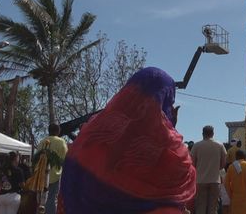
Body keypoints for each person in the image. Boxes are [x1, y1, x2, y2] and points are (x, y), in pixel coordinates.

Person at [57, 67, 196, 213]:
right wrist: (169, 127)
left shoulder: (94, 134)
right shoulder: (171, 151)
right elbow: (174, 189)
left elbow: (72, 182)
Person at [191, 125, 227, 214]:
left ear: (203, 134)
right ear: (213, 134)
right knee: (213, 208)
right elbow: (223, 163)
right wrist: (215, 169)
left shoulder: (197, 146)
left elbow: (192, 163)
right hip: (215, 180)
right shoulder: (220, 145)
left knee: (200, 207)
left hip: (200, 180)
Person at [36, 123, 68, 214]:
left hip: (41, 175)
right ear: (58, 131)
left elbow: (36, 159)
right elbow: (65, 159)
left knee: (40, 200)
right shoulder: (60, 141)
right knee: (51, 199)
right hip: (55, 175)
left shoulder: (42, 142)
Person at [225, 150, 246, 214]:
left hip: (235, 197)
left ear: (236, 157)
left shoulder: (231, 167)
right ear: (244, 157)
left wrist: (231, 195)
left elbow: (226, 183)